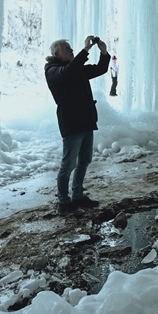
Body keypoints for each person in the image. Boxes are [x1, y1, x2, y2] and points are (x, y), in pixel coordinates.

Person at [45, 36, 111, 215]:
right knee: (68, 164)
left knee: (84, 160)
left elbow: (100, 69)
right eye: (68, 49)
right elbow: (68, 72)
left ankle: (78, 196)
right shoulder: (52, 70)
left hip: (86, 121)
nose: (72, 50)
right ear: (57, 53)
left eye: (72, 48)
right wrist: (85, 50)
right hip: (72, 123)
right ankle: (63, 203)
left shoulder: (75, 69)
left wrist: (103, 53)